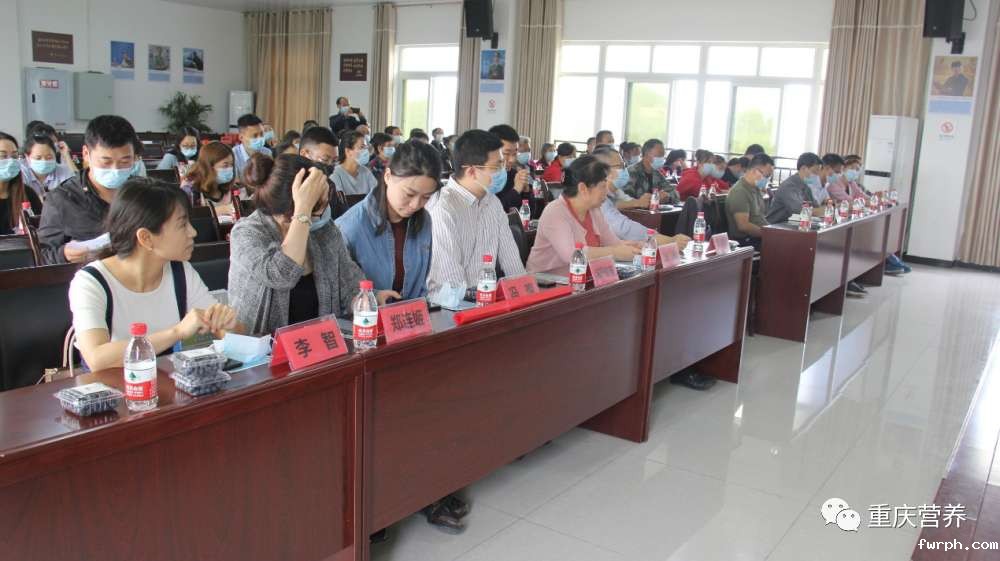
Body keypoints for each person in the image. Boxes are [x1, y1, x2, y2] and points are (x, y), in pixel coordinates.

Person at [68, 179, 243, 371]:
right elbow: (97, 358)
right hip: (114, 385)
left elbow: (233, 335)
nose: (193, 232)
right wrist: (177, 332)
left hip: (163, 380)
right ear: (146, 238)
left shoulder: (180, 271)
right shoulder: (91, 282)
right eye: (182, 225)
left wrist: (229, 325)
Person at [229, 153, 397, 334]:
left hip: (320, 342)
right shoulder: (247, 234)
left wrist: (368, 299)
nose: (326, 212)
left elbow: (350, 285)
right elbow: (281, 275)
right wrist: (303, 210)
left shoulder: (324, 230)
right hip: (264, 346)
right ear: (291, 211)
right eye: (318, 207)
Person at [426, 129, 525, 304]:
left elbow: (512, 263)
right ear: (472, 171)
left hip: (485, 301)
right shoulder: (443, 208)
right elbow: (452, 285)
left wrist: (525, 295)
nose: (503, 171)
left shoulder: (492, 202)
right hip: (450, 306)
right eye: (496, 167)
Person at [336, 141, 441, 301]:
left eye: (426, 197)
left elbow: (420, 287)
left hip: (410, 314)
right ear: (387, 177)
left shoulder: (423, 220)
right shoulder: (350, 227)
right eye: (409, 194)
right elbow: (340, 294)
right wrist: (373, 298)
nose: (415, 205)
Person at [38, 115, 140, 265]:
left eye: (125, 161)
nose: (116, 169)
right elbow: (42, 255)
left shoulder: (142, 192)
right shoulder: (62, 199)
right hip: (87, 274)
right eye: (106, 162)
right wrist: (64, 254)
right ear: (86, 153)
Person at [527, 155, 642, 272]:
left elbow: (612, 242)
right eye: (603, 186)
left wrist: (635, 247)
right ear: (583, 188)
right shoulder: (555, 212)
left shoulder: (594, 210)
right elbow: (571, 254)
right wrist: (615, 252)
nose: (606, 191)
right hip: (546, 279)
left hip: (581, 277)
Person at [592, 146, 688, 247]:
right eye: (620, 166)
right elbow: (623, 228)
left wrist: (649, 199)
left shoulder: (614, 192)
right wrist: (668, 240)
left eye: (624, 165)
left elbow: (630, 202)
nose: (624, 170)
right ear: (603, 171)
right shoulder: (596, 198)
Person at [724, 153, 774, 250]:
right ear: (755, 171)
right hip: (746, 241)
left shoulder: (755, 189)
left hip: (759, 237)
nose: (767, 180)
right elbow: (743, 226)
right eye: (767, 176)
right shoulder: (740, 191)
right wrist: (769, 234)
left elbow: (760, 217)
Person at [0, 133, 43, 235]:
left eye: (14, 156)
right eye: (3, 156)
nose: (11, 161)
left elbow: (43, 230)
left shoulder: (27, 193)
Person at [766, 152, 825, 225]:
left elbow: (815, 206)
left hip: (791, 225)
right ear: (803, 168)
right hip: (776, 226)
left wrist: (823, 209)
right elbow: (799, 210)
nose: (817, 175)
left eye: (818, 172)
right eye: (814, 172)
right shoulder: (789, 186)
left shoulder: (806, 186)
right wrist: (823, 211)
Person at [180, 141, 237, 212]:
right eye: (225, 165)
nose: (230, 169)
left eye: (232, 165)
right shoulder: (190, 188)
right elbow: (187, 214)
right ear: (209, 166)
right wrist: (219, 210)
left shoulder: (227, 188)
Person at [487, 124, 532, 210]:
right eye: (506, 153)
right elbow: (490, 212)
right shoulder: (482, 178)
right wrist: (516, 190)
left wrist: (526, 191)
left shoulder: (514, 175)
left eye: (515, 153)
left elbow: (529, 214)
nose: (512, 160)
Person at [20, 132, 74, 199]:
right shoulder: (21, 173)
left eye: (49, 157)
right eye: (38, 158)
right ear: (27, 157)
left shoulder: (65, 172)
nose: (44, 161)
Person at [624, 139, 678, 203]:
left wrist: (667, 197)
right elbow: (625, 199)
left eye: (663, 156)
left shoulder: (657, 174)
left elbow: (675, 194)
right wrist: (652, 198)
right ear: (646, 154)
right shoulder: (631, 172)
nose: (662, 158)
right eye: (659, 155)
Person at [331, 130, 377, 196]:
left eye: (366, 147)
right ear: (348, 151)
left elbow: (377, 193)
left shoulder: (366, 172)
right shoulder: (335, 174)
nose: (366, 151)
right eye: (362, 147)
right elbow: (339, 200)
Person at [233, 113, 272, 180]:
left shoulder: (267, 153)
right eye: (255, 136)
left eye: (262, 134)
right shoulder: (233, 155)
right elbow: (236, 183)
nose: (260, 138)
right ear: (241, 137)